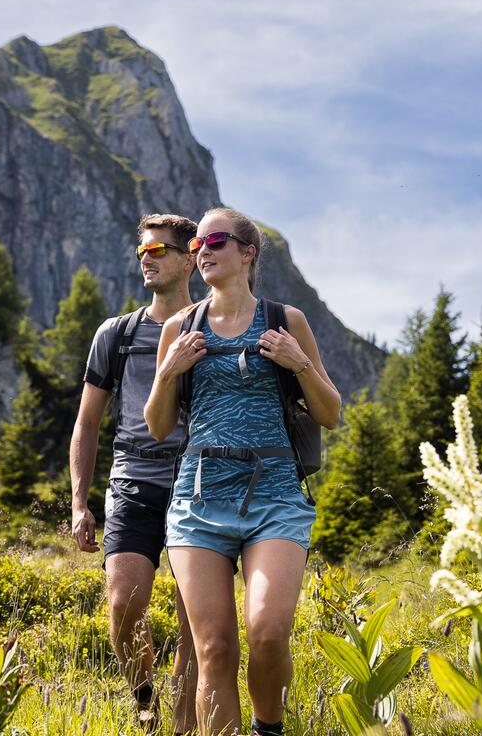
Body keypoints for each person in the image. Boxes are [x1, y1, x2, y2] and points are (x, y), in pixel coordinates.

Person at [143, 208, 341, 736]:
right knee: (213, 648)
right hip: (199, 499)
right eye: (198, 244)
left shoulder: (284, 320)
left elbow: (331, 413)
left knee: (269, 632)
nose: (201, 250)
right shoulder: (178, 329)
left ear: (247, 253)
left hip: (274, 495)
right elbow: (158, 426)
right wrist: (167, 372)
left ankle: (267, 728)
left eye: (215, 240)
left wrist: (298, 363)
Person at [71, 213, 202, 732]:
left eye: (159, 250)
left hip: (199, 481)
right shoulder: (117, 333)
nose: (147, 259)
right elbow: (86, 423)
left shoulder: (214, 324)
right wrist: (80, 502)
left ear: (189, 256)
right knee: (124, 605)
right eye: (142, 251)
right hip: (133, 481)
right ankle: (145, 705)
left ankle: (184, 722)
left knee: (194, 617)